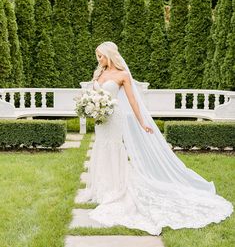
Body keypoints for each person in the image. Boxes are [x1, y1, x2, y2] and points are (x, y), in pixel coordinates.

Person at [77, 41, 233, 236]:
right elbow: (93, 93)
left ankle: (116, 188)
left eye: (101, 55)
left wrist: (142, 123)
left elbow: (133, 101)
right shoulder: (98, 73)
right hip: (101, 119)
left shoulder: (123, 75)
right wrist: (89, 104)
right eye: (97, 56)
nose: (98, 59)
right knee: (101, 147)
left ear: (110, 54)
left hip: (114, 118)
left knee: (115, 148)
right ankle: (101, 187)